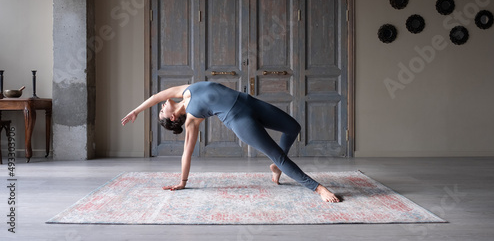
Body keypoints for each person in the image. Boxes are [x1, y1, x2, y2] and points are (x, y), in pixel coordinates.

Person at [121, 81, 339, 203]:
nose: (161, 105)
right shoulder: (191, 122)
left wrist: (135, 111)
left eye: (159, 107)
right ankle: (318, 188)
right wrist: (183, 181)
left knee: (293, 127)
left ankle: (276, 167)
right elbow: (186, 153)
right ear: (172, 118)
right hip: (240, 120)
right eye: (161, 111)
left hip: (250, 102)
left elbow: (157, 96)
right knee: (278, 155)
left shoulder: (184, 90)